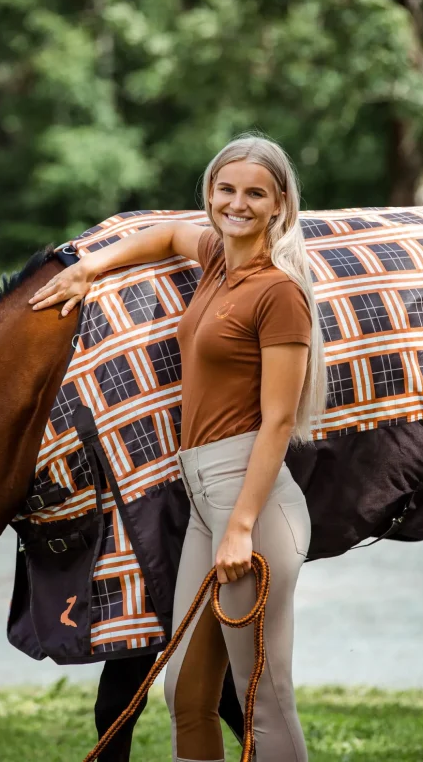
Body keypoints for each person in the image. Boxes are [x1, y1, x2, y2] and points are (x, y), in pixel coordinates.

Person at [29, 133, 326, 762]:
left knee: (261, 700)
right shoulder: (218, 260)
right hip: (203, 500)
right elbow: (165, 235)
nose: (236, 203)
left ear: (280, 205)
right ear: (211, 194)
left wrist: (240, 527)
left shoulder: (279, 293)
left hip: (253, 505)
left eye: (255, 193)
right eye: (225, 189)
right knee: (185, 695)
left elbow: (278, 422)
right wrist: (88, 267)